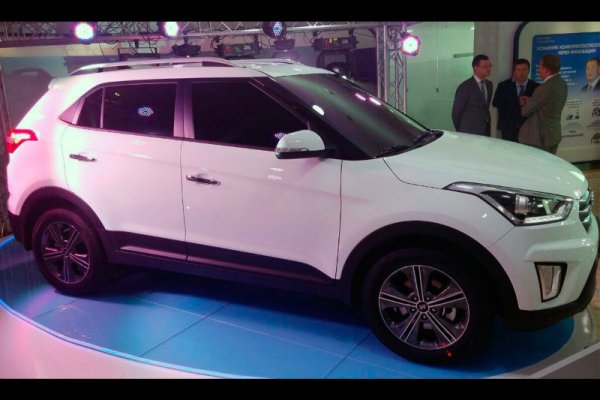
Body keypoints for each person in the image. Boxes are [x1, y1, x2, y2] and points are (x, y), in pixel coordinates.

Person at [519, 54, 568, 155]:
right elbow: (548, 103)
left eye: (540, 66)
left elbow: (525, 111)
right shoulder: (562, 83)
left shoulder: (544, 88)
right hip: (553, 135)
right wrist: (532, 100)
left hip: (539, 138)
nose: (539, 69)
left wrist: (528, 103)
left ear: (545, 69)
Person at [492, 59, 540, 142]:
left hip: (529, 128)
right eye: (518, 70)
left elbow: (539, 106)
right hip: (508, 127)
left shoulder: (536, 87)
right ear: (514, 72)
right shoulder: (504, 86)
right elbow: (495, 103)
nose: (521, 73)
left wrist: (530, 101)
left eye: (524, 69)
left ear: (528, 71)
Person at [451, 54, 493, 136]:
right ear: (475, 68)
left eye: (490, 66)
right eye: (485, 67)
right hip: (468, 131)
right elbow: (456, 112)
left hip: (485, 129)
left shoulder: (489, 85)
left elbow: (485, 107)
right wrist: (461, 129)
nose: (489, 69)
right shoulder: (465, 86)